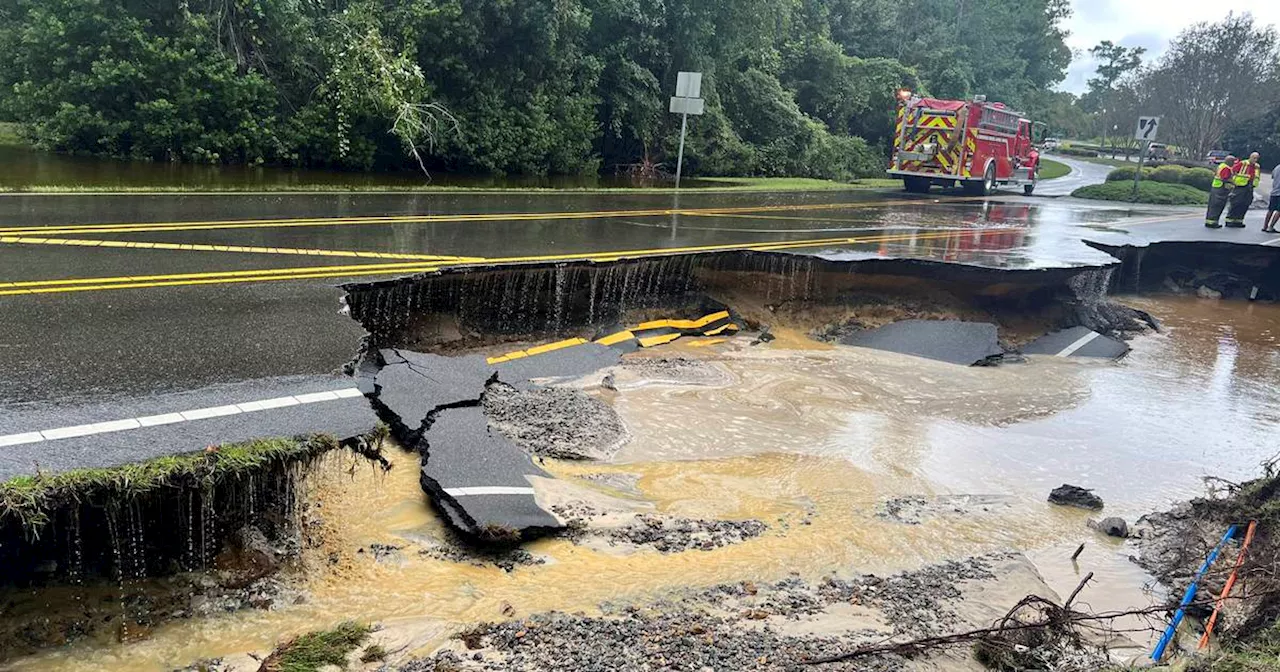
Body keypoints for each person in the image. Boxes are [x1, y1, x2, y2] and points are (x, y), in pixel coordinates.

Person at [1224, 152, 1261, 228]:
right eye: (1254, 158)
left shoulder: (1257, 166)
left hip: (1250, 187)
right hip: (1240, 186)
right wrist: (1232, 182)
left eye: (1257, 158)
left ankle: (1239, 221)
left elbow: (1256, 177)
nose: (1255, 160)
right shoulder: (1243, 163)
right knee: (1236, 203)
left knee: (1245, 204)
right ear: (1250, 157)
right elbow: (1232, 171)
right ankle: (1230, 221)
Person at [1205, 155, 1237, 229]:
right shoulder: (1226, 168)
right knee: (1218, 205)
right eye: (1233, 162)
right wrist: (1233, 182)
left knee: (1213, 205)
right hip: (1220, 189)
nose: (1234, 163)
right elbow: (1224, 178)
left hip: (1216, 187)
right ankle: (1213, 222)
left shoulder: (1221, 166)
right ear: (1230, 162)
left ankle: (1210, 221)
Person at [1265, 162, 1280, 233]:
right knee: (1279, 211)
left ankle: (1265, 226)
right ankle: (1271, 227)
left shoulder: (1277, 167)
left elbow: (1272, 176)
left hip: (1274, 192)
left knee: (1270, 209)